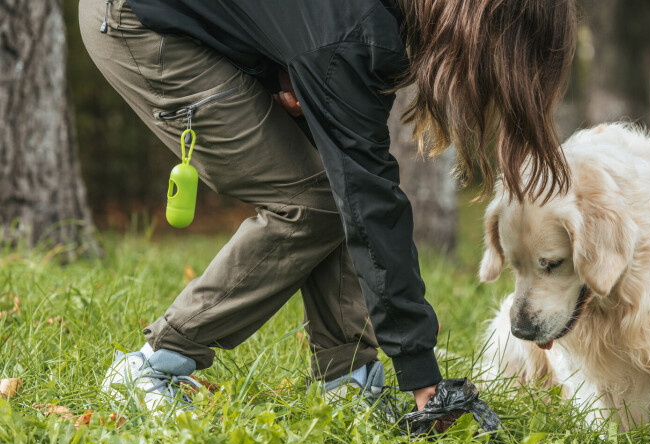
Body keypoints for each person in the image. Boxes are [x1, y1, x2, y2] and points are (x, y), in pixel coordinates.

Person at [79, 0, 576, 412]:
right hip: (137, 20)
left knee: (332, 179)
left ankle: (349, 383)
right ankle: (153, 364)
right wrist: (423, 377)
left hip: (207, 24)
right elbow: (370, 199)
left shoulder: (383, 25)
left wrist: (286, 61)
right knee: (310, 200)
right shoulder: (355, 33)